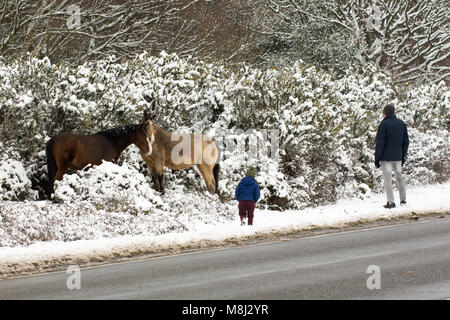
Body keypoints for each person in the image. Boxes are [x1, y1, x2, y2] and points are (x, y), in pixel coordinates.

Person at [375, 104, 409, 209]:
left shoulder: (383, 124)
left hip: (386, 158)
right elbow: (406, 142)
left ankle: (391, 202)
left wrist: (377, 158)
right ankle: (403, 200)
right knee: (399, 178)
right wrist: (403, 155)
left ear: (385, 113)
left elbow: (380, 142)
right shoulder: (401, 124)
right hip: (398, 157)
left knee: (388, 179)